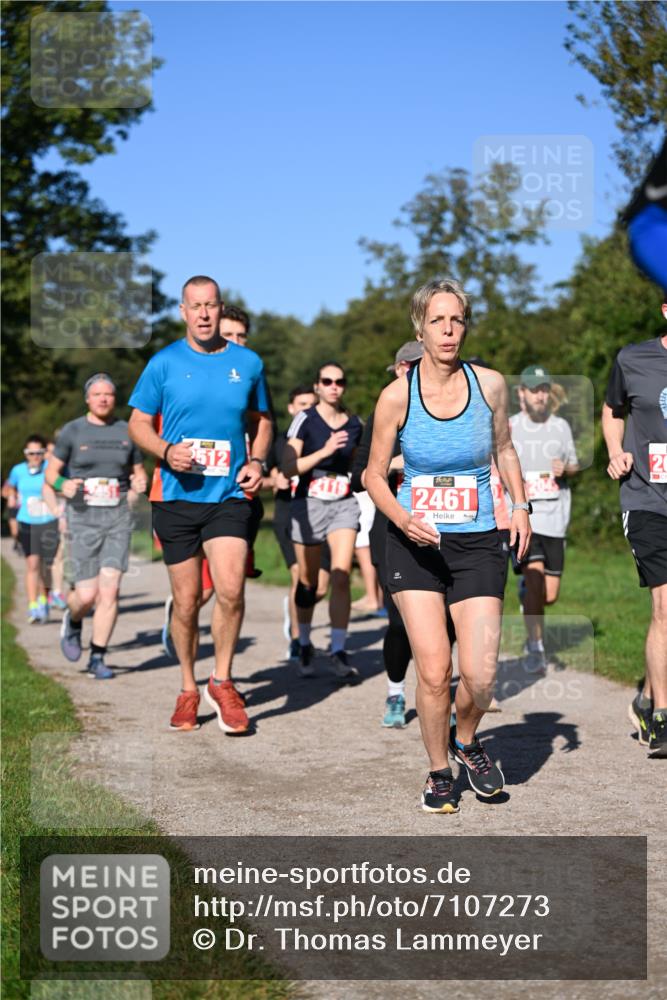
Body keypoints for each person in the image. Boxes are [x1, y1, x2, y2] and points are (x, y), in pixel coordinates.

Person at [366, 277, 530, 814]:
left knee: (481, 676)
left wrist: (521, 504)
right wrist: (403, 518)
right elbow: (372, 476)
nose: (448, 330)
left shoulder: (490, 385)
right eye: (437, 320)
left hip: (478, 539)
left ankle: (466, 739)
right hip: (415, 544)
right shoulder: (396, 396)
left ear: (465, 325)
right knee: (434, 671)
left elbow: (504, 449)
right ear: (420, 327)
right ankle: (440, 772)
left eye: (456, 320)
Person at [128, 275, 272, 734]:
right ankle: (188, 687)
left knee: (230, 589)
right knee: (187, 602)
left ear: (220, 307)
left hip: (228, 494)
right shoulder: (163, 363)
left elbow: (263, 419)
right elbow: (136, 424)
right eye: (196, 306)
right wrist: (166, 451)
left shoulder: (248, 363)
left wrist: (258, 460)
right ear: (183, 311)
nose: (204, 314)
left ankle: (222, 680)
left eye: (211, 305)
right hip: (176, 496)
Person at [46, 375, 147, 678]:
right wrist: (64, 484)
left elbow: (137, 472)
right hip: (83, 517)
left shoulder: (128, 431)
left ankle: (98, 657)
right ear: (87, 399)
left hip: (117, 518)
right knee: (86, 595)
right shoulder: (73, 430)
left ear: (115, 399)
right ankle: (73, 620)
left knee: (110, 591)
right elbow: (51, 473)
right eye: (97, 394)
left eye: (109, 395)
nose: (103, 399)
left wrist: (139, 483)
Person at [602, 301, 667, 759]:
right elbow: (612, 410)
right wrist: (614, 451)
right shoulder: (633, 359)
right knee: (666, 605)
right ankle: (663, 717)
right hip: (648, 499)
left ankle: (645, 696)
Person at [351, 340, 424, 727]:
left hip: (442, 527)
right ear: (400, 370)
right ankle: (396, 693)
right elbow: (358, 477)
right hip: (392, 530)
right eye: (414, 366)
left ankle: (437, 695)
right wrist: (394, 462)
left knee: (444, 623)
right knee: (400, 622)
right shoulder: (383, 413)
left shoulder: (448, 410)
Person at [282, 362, 363, 682]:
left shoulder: (355, 423)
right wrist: (325, 451)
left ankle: (338, 649)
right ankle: (303, 642)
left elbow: (361, 461)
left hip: (343, 503)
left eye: (339, 381)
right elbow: (289, 467)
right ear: (317, 386)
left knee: (341, 575)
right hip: (308, 503)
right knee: (308, 582)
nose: (333, 386)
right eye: (327, 381)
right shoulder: (305, 420)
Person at [510, 365, 579, 673]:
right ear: (521, 393)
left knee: (549, 595)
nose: (540, 395)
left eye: (543, 389)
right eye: (533, 389)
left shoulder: (561, 426)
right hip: (526, 519)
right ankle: (535, 648)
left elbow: (574, 464)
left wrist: (565, 468)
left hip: (555, 517)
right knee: (535, 577)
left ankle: (527, 594)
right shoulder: (509, 427)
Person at [269, 384, 331, 667]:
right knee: (300, 577)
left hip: (322, 512)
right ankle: (298, 640)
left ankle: (296, 611)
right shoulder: (278, 442)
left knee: (318, 587)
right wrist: (274, 480)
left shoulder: (324, 438)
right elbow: (264, 476)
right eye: (301, 404)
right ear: (291, 409)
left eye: (311, 403)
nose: (307, 408)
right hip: (289, 513)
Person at [7, 434, 60, 623]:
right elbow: (8, 487)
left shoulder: (51, 470)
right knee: (32, 564)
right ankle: (32, 606)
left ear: (45, 453)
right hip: (27, 521)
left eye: (39, 452)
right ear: (25, 453)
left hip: (49, 521)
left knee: (46, 565)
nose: (35, 456)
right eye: (31, 453)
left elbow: (62, 488)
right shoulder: (18, 470)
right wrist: (11, 495)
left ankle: (44, 598)